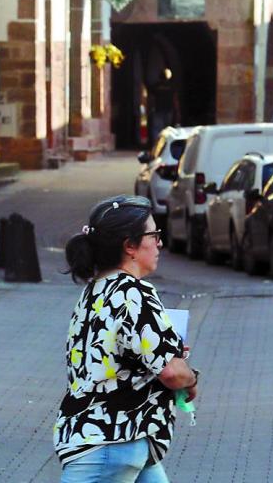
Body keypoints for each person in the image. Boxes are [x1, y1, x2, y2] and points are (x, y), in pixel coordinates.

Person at [54, 195, 198, 482]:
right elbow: (172, 373)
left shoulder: (95, 291)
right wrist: (190, 378)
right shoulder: (134, 293)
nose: (159, 243)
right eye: (154, 235)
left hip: (124, 440)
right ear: (130, 245)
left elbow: (118, 359)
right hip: (110, 445)